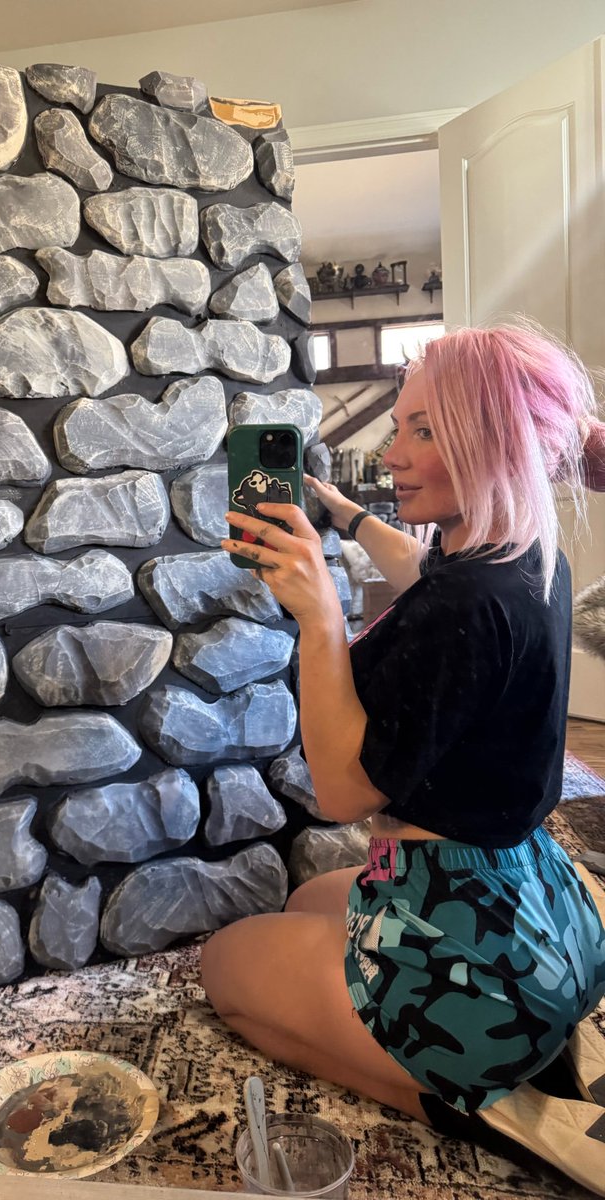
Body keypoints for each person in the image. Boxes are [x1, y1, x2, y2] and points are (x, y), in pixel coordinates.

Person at [201, 323, 605, 1192]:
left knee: (225, 966)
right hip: (533, 908)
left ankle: (455, 1098)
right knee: (308, 900)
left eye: (424, 430)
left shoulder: (463, 611)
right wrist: (344, 517)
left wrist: (319, 617)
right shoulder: (522, 556)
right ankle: (479, 1036)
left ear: (492, 441)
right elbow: (426, 571)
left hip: (478, 959)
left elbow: (343, 792)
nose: (392, 454)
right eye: (400, 426)